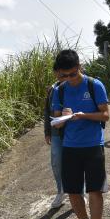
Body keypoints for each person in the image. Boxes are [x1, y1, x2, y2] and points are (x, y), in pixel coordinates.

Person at [51, 49, 110, 219]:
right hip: (70, 146)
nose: (70, 79)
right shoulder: (59, 90)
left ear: (80, 67)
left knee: (95, 189)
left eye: (73, 74)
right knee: (73, 190)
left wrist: (84, 115)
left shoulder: (94, 85)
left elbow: (105, 115)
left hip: (93, 144)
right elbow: (56, 122)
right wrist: (63, 116)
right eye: (65, 75)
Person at [44, 68, 66, 209]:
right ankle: (61, 191)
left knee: (76, 163)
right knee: (56, 163)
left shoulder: (75, 85)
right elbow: (47, 111)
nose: (60, 73)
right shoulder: (52, 89)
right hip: (56, 133)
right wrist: (47, 132)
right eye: (57, 70)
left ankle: (81, 192)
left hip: (72, 133)